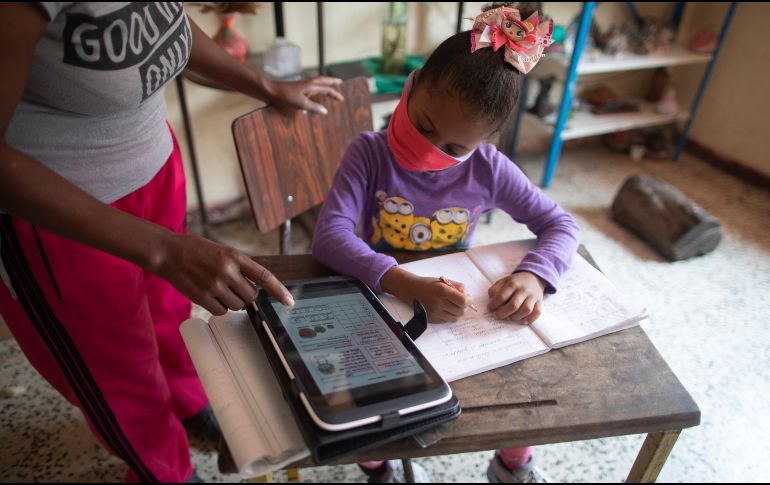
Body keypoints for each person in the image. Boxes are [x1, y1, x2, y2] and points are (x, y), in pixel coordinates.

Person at [0, 2, 343, 482]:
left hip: (154, 169)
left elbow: (162, 24)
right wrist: (162, 249)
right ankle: (164, 470)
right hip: (68, 218)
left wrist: (265, 86)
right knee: (118, 370)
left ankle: (188, 407)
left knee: (166, 317)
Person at [311, 3, 578, 483]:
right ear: (411, 86)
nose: (429, 148)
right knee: (357, 391)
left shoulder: (488, 169)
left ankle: (513, 463)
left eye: (453, 149)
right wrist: (403, 282)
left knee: (516, 379)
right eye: (425, 125)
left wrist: (534, 276)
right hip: (381, 299)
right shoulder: (368, 154)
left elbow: (561, 226)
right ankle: (377, 466)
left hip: (457, 316)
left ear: (483, 143)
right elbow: (329, 237)